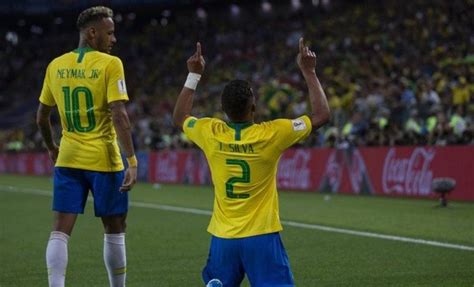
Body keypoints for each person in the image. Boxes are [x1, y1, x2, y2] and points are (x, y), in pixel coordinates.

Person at [173, 38, 330, 287]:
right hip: (262, 237)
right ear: (254, 107)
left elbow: (180, 116)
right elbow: (321, 115)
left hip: (223, 238)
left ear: (222, 111)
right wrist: (309, 71)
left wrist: (194, 75)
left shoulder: (210, 132)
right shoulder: (272, 134)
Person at [36, 6, 137, 287]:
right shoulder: (109, 64)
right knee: (115, 229)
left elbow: (41, 116)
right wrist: (132, 160)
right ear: (92, 33)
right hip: (104, 160)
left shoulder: (55, 65)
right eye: (110, 32)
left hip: (68, 159)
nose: (113, 39)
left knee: (60, 231)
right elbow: (119, 114)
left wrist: (51, 146)